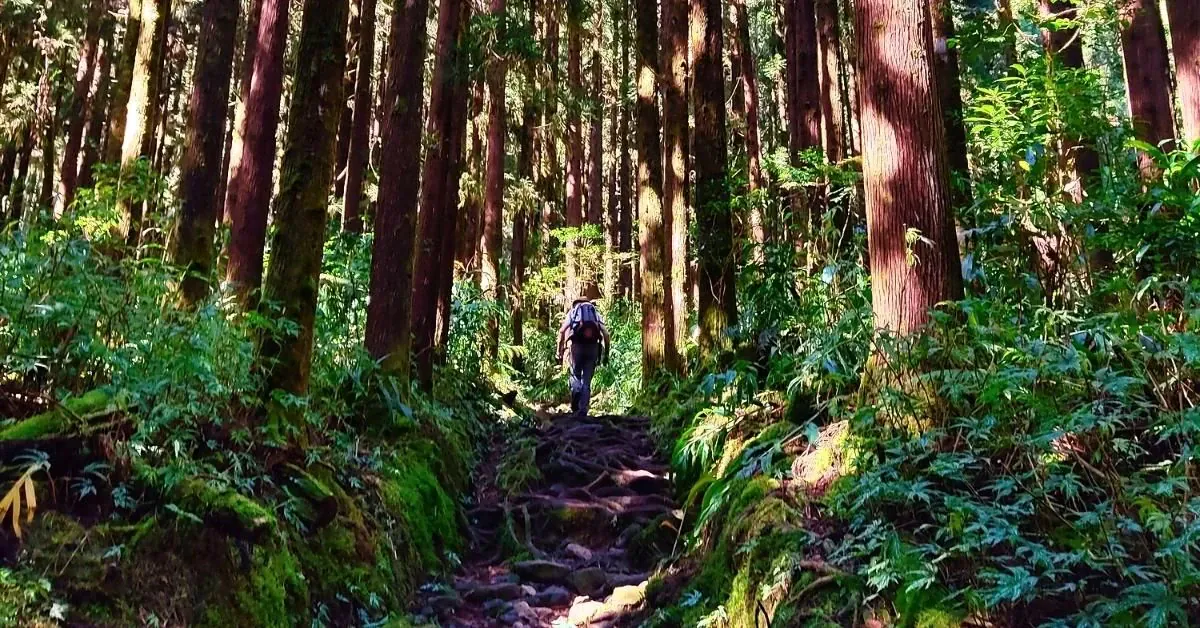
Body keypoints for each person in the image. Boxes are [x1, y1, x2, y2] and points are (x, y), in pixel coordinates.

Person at [556, 298, 610, 419]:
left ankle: (576, 399)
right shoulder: (595, 313)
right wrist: (606, 354)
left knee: (575, 375)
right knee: (587, 381)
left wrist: (559, 350)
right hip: (593, 349)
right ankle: (583, 411)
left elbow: (561, 331)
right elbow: (606, 334)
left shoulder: (573, 312)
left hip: (576, 348)